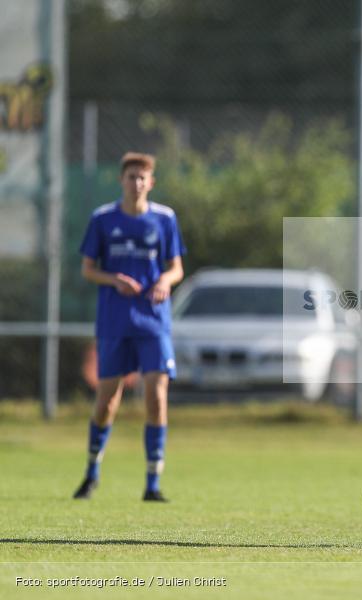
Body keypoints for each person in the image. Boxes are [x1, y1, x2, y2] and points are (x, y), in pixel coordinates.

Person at [72, 152, 185, 502]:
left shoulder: (164, 219)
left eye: (142, 178)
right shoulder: (103, 219)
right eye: (131, 177)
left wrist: (166, 280)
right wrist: (114, 279)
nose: (136, 183)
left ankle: (152, 483)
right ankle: (91, 472)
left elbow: (176, 267)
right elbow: (87, 269)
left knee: (156, 397)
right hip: (115, 321)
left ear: (151, 183)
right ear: (121, 180)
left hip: (153, 322)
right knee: (107, 402)